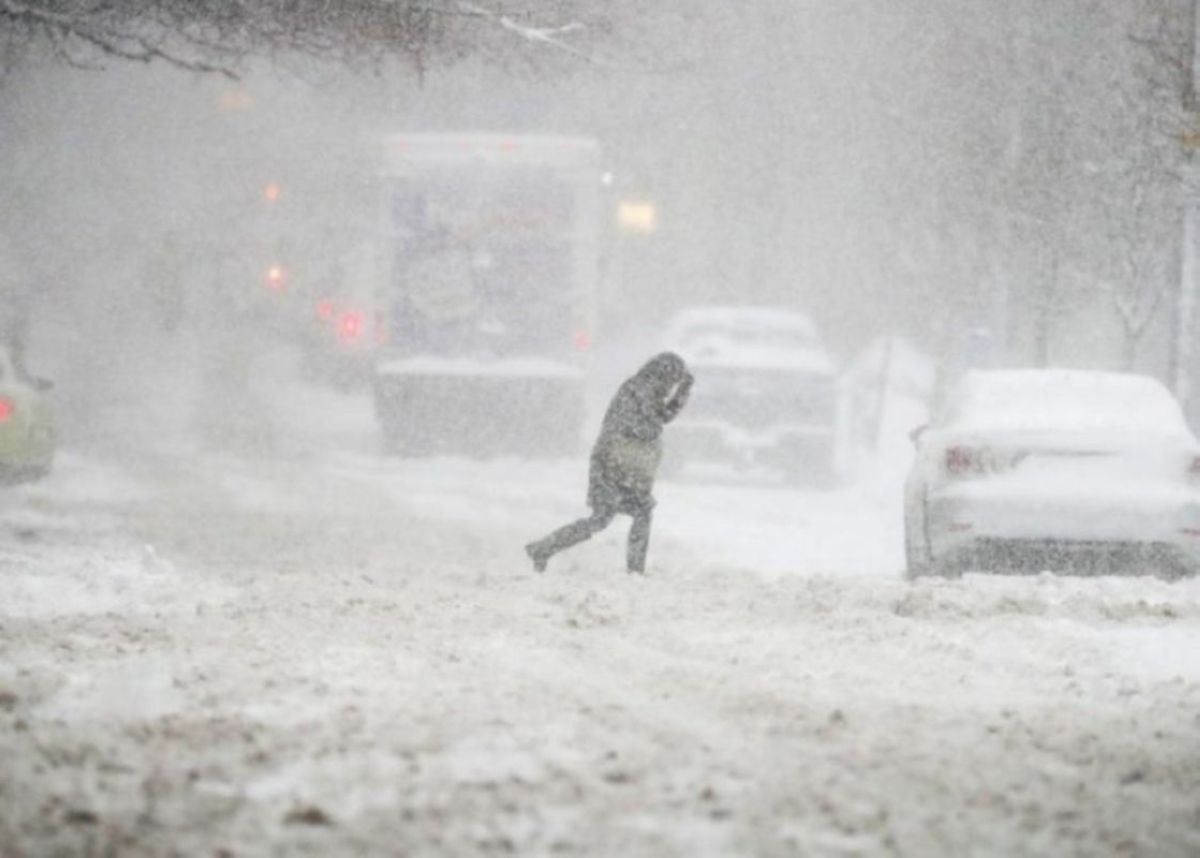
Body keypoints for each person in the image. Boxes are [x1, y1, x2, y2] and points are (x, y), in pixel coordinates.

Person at [525, 352, 694, 574]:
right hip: (612, 465)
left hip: (622, 465)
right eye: (673, 380)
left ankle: (544, 548)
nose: (672, 386)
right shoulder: (640, 389)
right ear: (664, 374)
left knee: (617, 516)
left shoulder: (644, 390)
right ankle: (545, 549)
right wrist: (680, 395)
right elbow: (652, 423)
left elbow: (661, 418)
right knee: (611, 517)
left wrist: (682, 392)